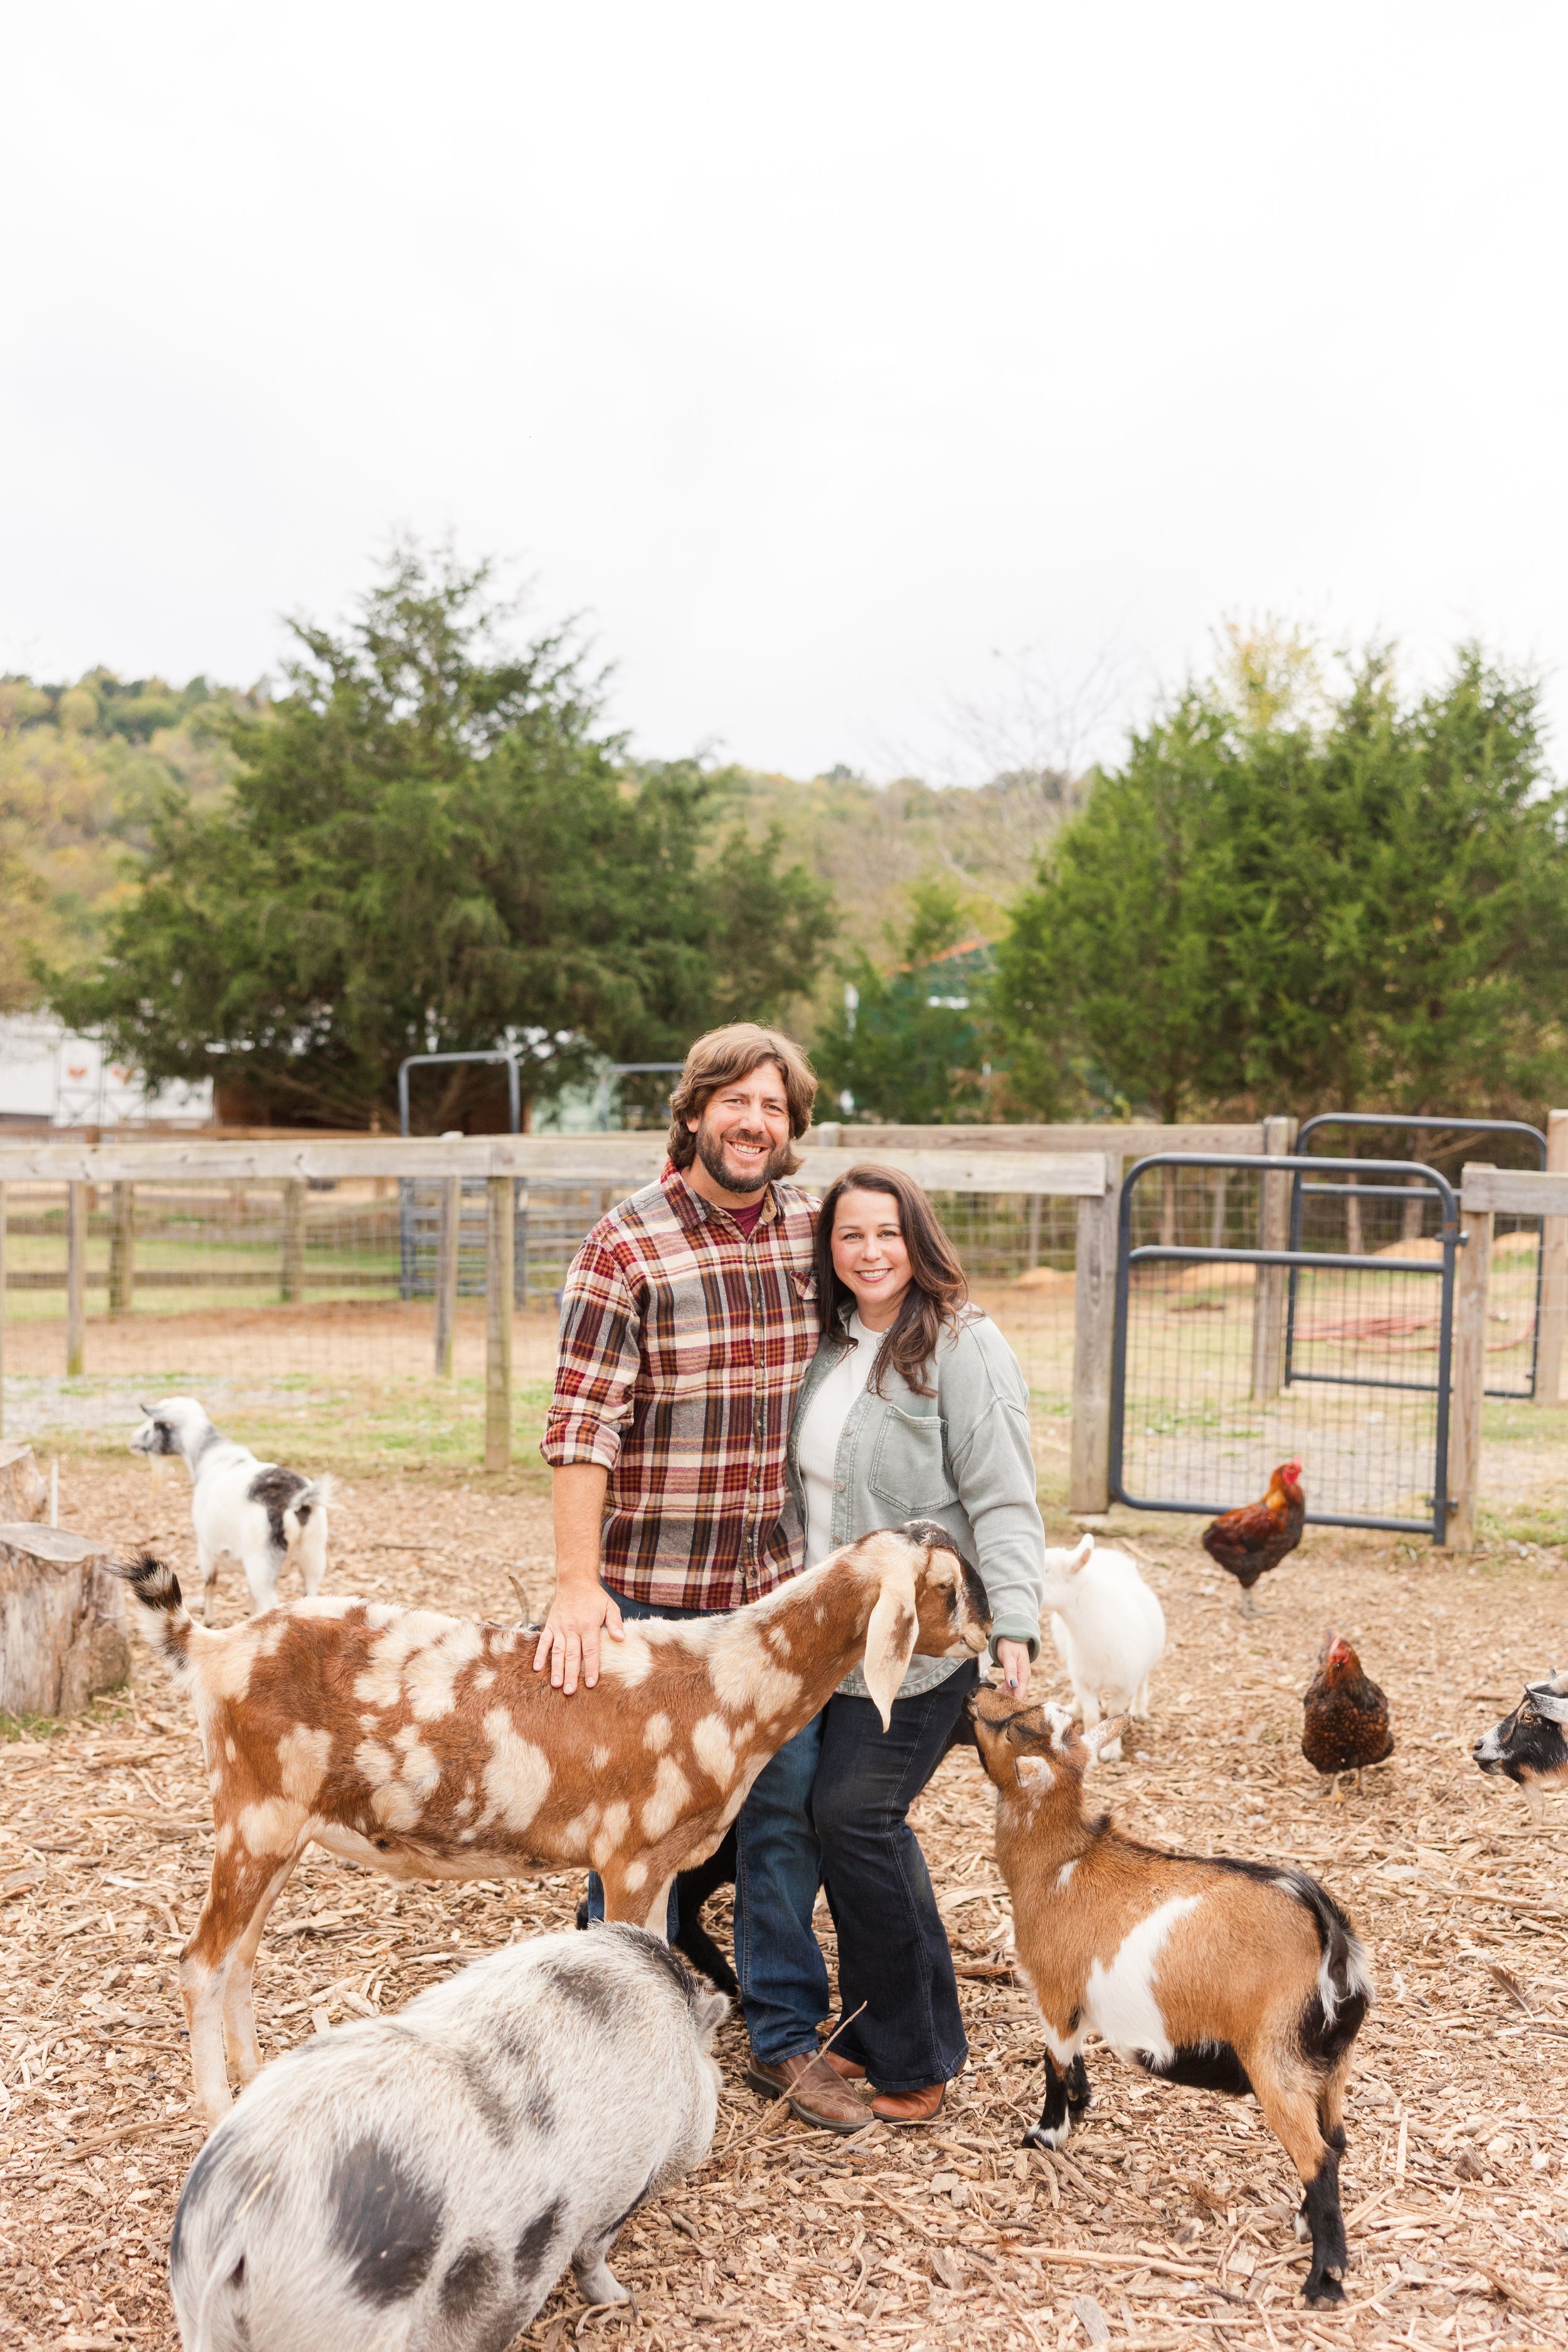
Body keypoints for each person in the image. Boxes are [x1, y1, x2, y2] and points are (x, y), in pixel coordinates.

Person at [534, 1022, 870, 2132]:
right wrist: (577, 1583)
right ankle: (603, 2040)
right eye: (734, 1102)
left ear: (793, 1129)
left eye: (774, 1108)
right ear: (693, 1113)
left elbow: (890, 1309)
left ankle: (780, 2032)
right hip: (649, 1597)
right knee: (633, 1829)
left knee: (782, 1813)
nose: (753, 1123)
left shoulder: (807, 1236)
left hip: (766, 1595)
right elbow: (582, 1423)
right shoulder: (623, 1246)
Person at [783, 1163, 1046, 2126]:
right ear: (832, 1251)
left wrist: (1015, 1618)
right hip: (830, 1637)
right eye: (850, 1236)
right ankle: (869, 2022)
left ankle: (920, 2054)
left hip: (926, 1638)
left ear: (918, 1237)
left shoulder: (964, 1346)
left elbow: (1004, 1493)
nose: (870, 1251)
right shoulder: (827, 1343)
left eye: (887, 1233)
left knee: (857, 1813)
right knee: (830, 1816)